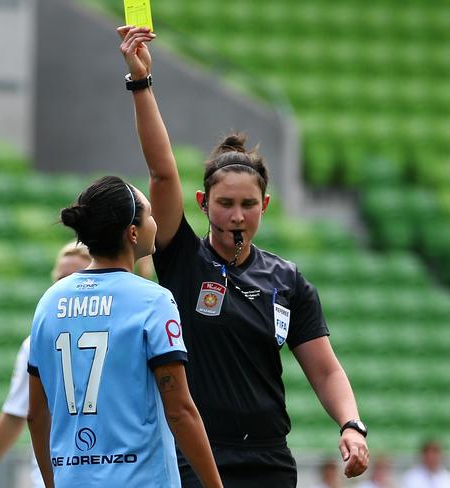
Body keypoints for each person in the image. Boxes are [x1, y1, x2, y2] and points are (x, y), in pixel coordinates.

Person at [118, 25, 370, 487]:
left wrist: (351, 424)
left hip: (269, 462)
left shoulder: (288, 282)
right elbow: (161, 171)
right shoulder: (182, 260)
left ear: (265, 206)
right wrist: (141, 82)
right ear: (202, 203)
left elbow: (326, 367)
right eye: (225, 204)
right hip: (199, 458)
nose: (237, 215)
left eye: (248, 205)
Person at [26, 176, 223, 488]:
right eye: (149, 215)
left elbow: (36, 414)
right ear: (133, 232)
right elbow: (180, 411)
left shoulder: (50, 302)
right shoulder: (152, 301)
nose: (155, 221)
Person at [0, 241, 92, 488]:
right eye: (60, 279)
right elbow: (16, 412)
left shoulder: (120, 335)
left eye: (75, 278)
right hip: (53, 475)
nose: (65, 287)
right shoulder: (36, 343)